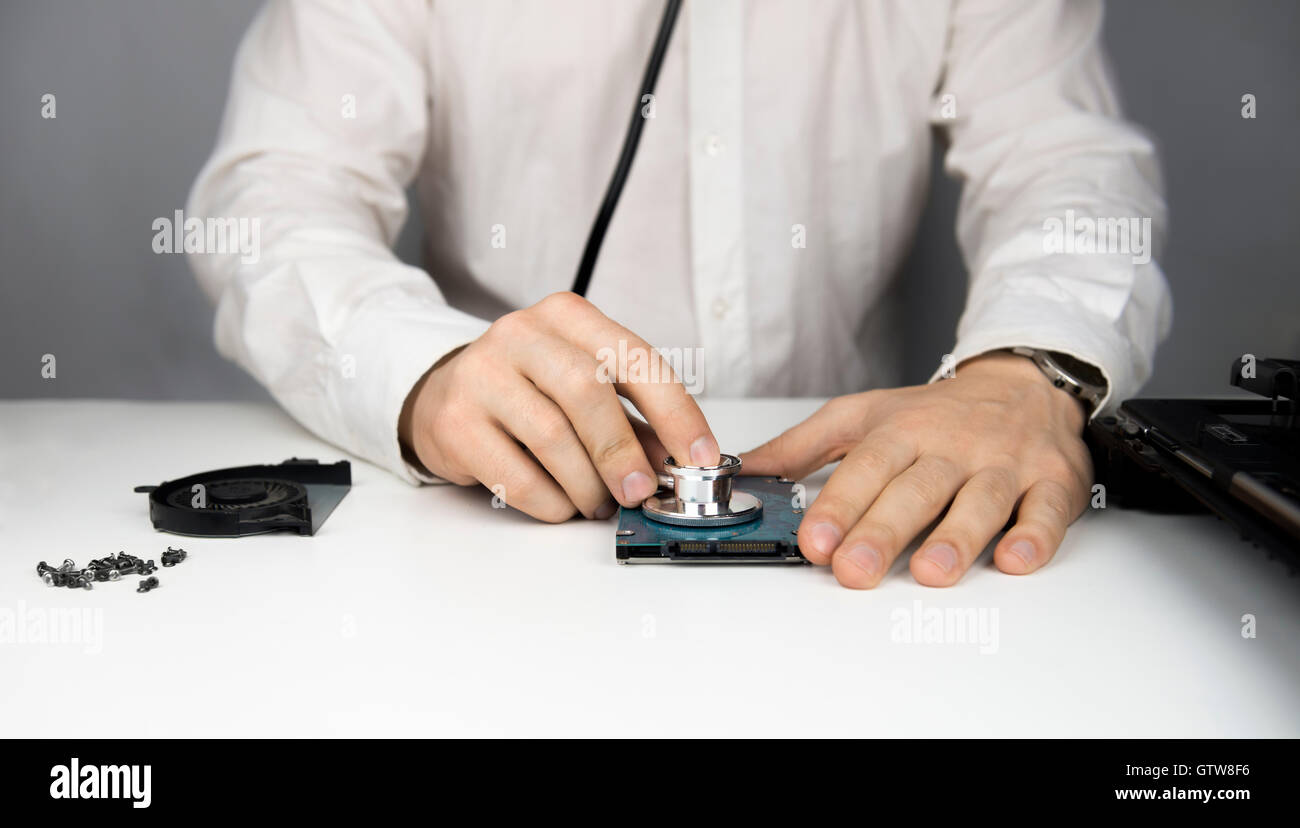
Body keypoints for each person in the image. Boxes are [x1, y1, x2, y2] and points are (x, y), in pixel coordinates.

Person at [188, 0, 1170, 589]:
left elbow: (1064, 163)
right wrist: (422, 369)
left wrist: (1025, 366)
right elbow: (271, 201)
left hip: (855, 533)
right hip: (498, 538)